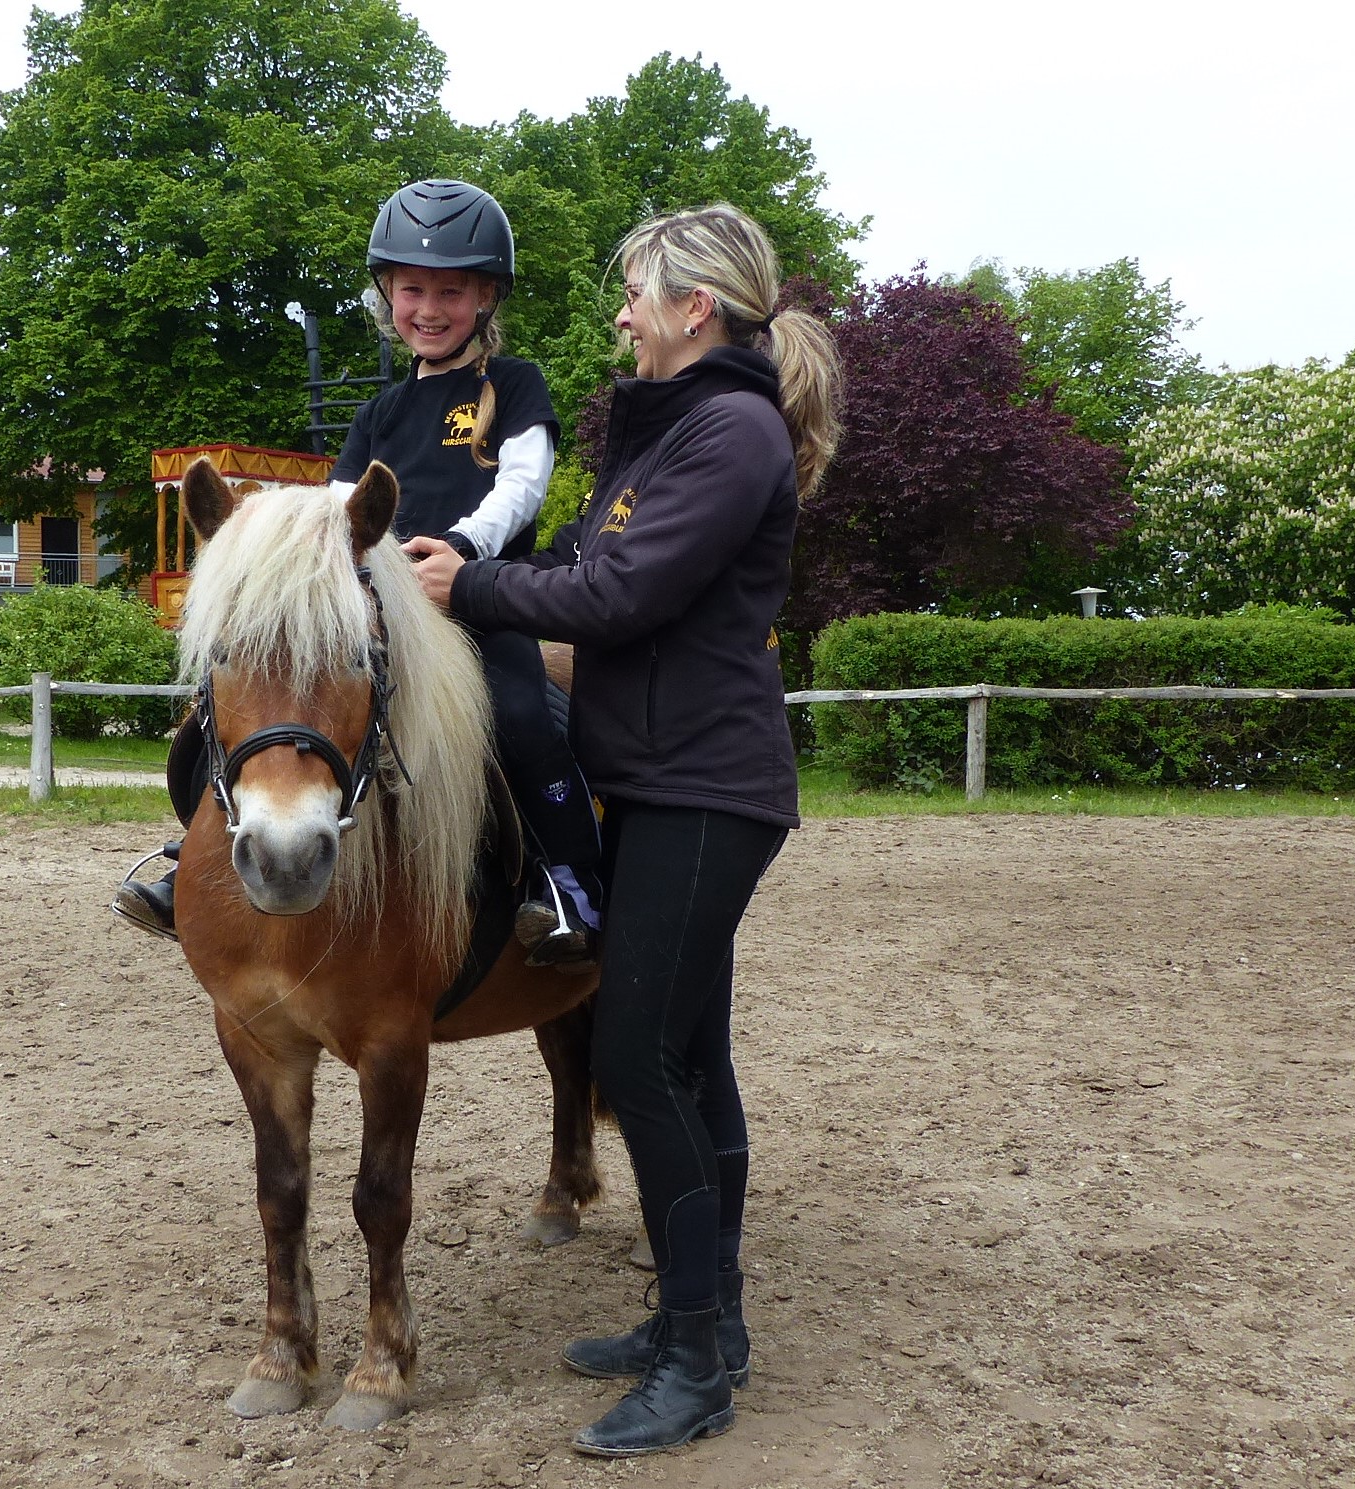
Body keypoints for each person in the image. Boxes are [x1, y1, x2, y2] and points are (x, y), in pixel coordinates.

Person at [406, 203, 843, 1457]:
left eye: (632, 295)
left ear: (689, 308)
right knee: (687, 1058)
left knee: (641, 1060)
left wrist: (465, 583)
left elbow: (616, 592)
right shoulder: (681, 435)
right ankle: (700, 1320)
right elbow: (604, 593)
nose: (618, 316)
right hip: (657, 778)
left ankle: (696, 1361)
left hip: (703, 787)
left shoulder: (728, 429)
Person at [115, 179, 603, 966]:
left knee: (524, 715)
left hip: (476, 601)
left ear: (485, 296)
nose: (430, 307)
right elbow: (337, 508)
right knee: (221, 716)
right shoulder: (378, 411)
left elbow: (523, 482)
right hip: (375, 609)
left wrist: (463, 548)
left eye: (451, 290)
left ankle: (566, 883)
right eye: (412, 289)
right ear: (387, 294)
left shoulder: (513, 386)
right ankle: (194, 862)